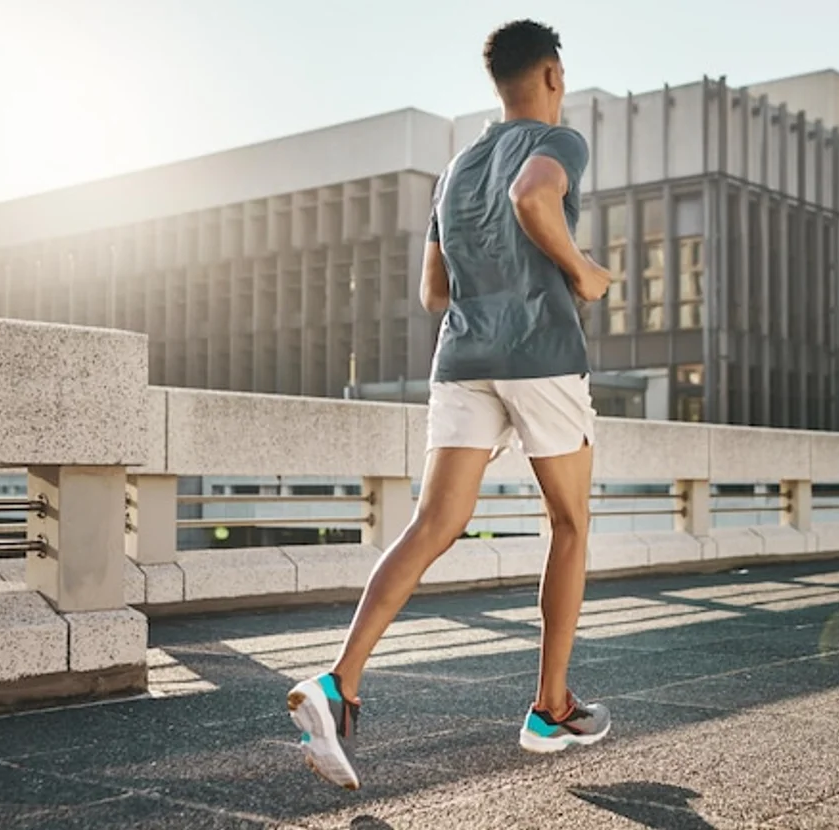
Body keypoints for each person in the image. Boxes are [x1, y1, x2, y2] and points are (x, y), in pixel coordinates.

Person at [286, 19, 613, 790]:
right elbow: (536, 197)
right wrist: (583, 271)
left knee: (432, 524)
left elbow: (434, 291)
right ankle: (549, 707)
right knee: (568, 523)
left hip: (463, 357)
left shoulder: (456, 169)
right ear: (554, 75)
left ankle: (341, 682)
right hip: (540, 356)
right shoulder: (559, 144)